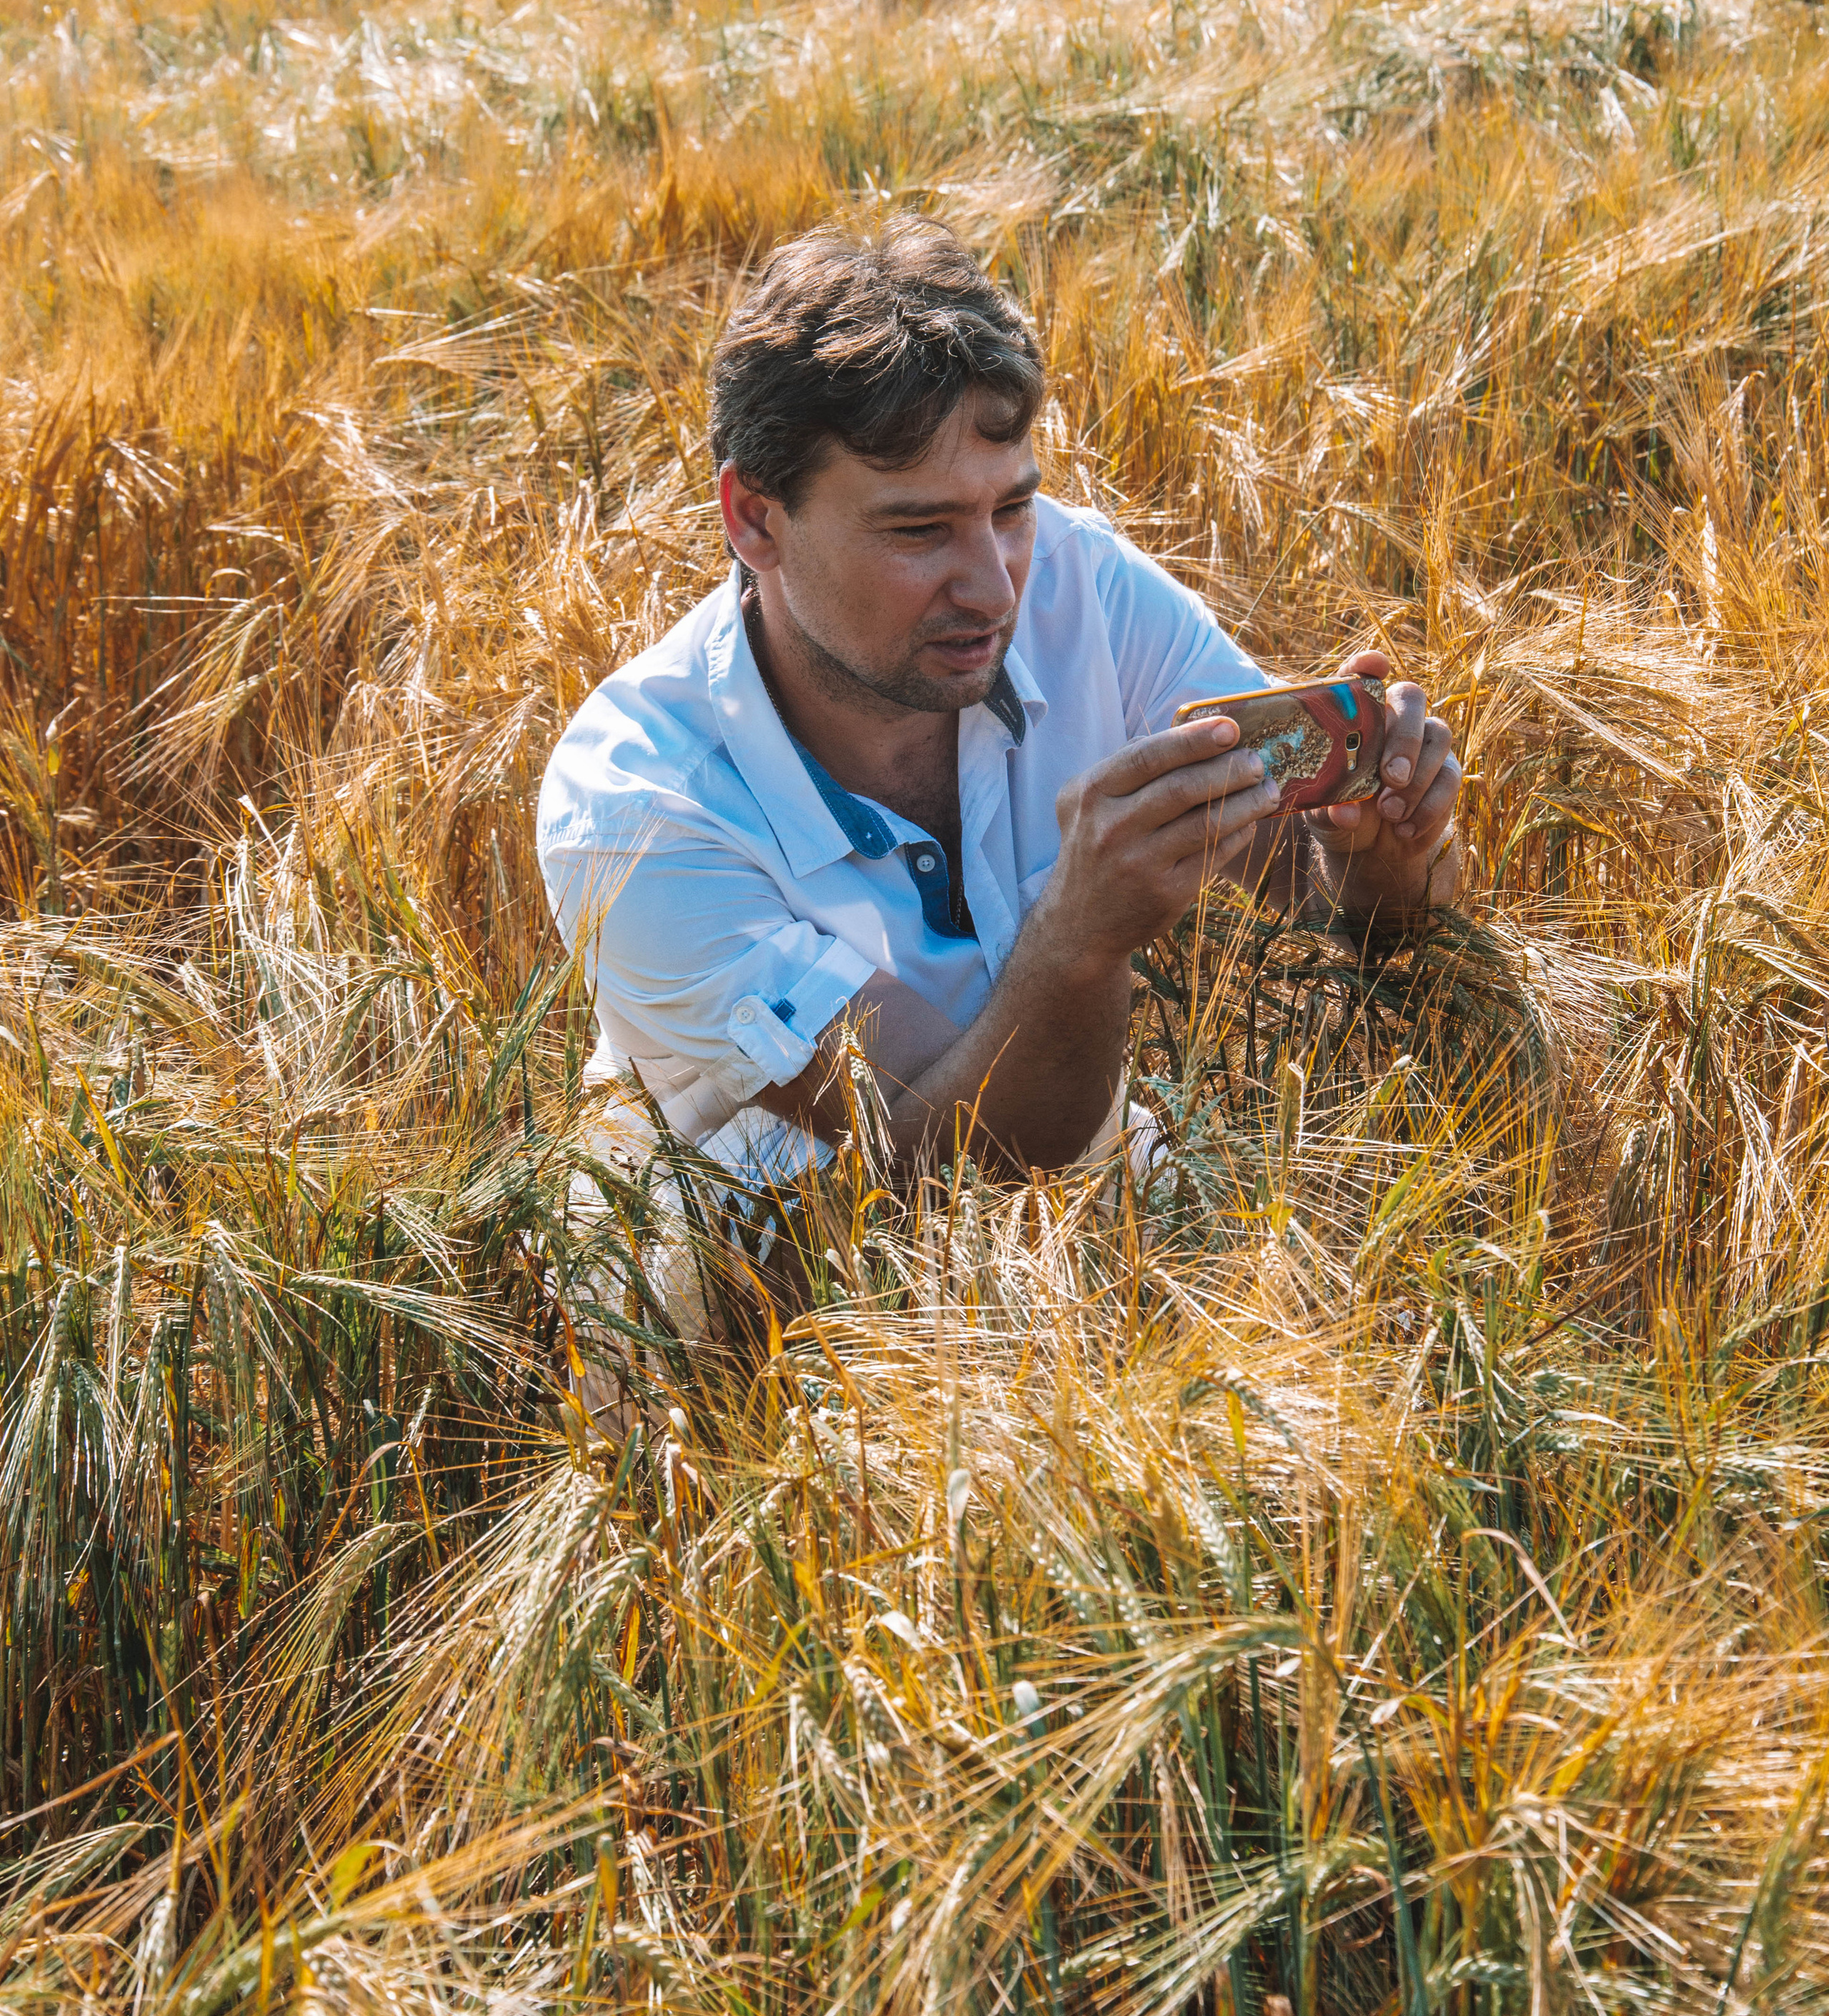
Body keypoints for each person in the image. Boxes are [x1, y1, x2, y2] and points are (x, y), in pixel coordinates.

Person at [537, 216, 1460, 1327]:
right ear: (755, 519)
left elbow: (1332, 902)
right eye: (919, 529)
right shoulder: (635, 806)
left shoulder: (1079, 583)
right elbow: (928, 1164)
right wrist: (1079, 943)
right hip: (752, 1262)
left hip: (1055, 1133)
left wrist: (1386, 856)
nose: (993, 583)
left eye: (1010, 506)